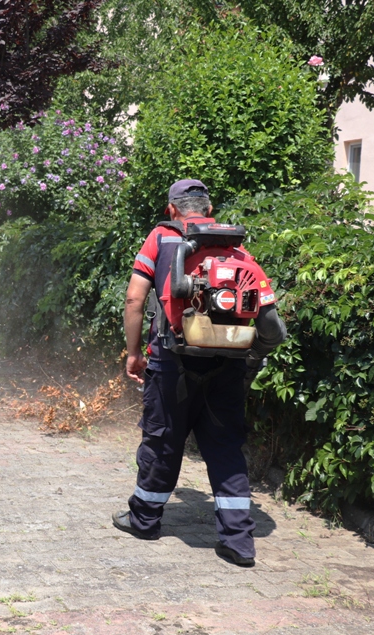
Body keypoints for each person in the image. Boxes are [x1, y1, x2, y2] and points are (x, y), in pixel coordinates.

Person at [112, 179, 287, 567]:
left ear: (172, 209)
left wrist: (134, 352)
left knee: (162, 443)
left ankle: (144, 521)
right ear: (208, 210)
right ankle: (239, 542)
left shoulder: (160, 238)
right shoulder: (237, 249)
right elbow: (274, 329)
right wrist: (251, 356)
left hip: (171, 362)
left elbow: (134, 298)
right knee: (225, 448)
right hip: (227, 366)